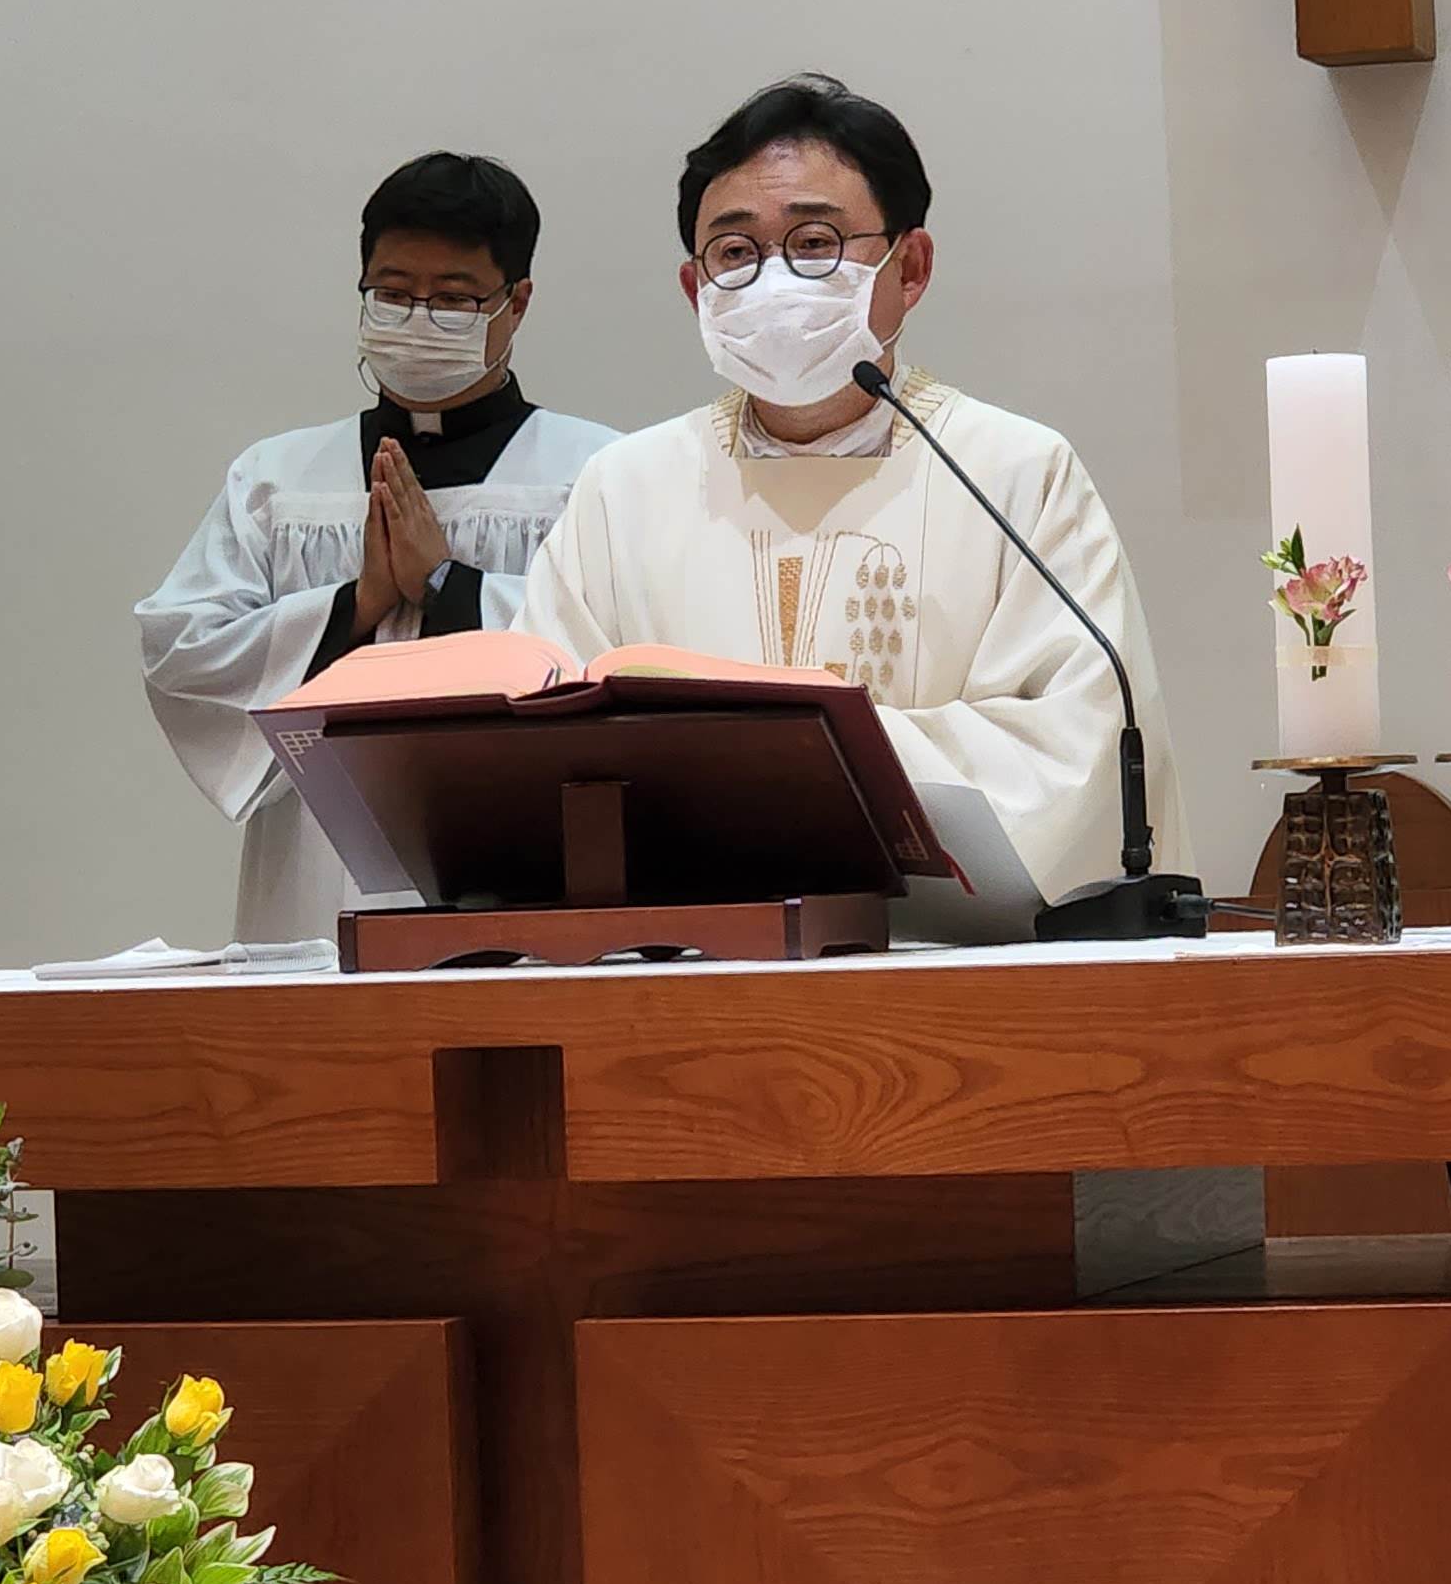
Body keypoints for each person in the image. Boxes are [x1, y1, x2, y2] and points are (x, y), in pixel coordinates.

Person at [515, 74, 1188, 903]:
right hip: (687, 954)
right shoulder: (624, 491)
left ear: (911, 268)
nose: (774, 281)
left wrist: (789, 765)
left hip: (939, 957)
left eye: (815, 243)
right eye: (735, 253)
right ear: (695, 290)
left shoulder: (1014, 474)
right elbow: (543, 748)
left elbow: (1074, 751)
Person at [138, 151, 616, 943]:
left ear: (517, 303)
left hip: (527, 854)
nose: (418, 320)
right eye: (392, 294)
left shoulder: (594, 473)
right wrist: (351, 608)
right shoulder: (277, 481)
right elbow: (181, 653)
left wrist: (448, 586)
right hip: (315, 868)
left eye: (454, 299)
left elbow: (618, 659)